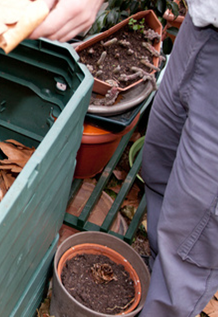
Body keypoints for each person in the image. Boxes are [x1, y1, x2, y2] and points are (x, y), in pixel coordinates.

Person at [30, 0, 218, 316]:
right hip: (200, 29)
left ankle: (167, 299)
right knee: (160, 169)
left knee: (195, 231)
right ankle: (159, 264)